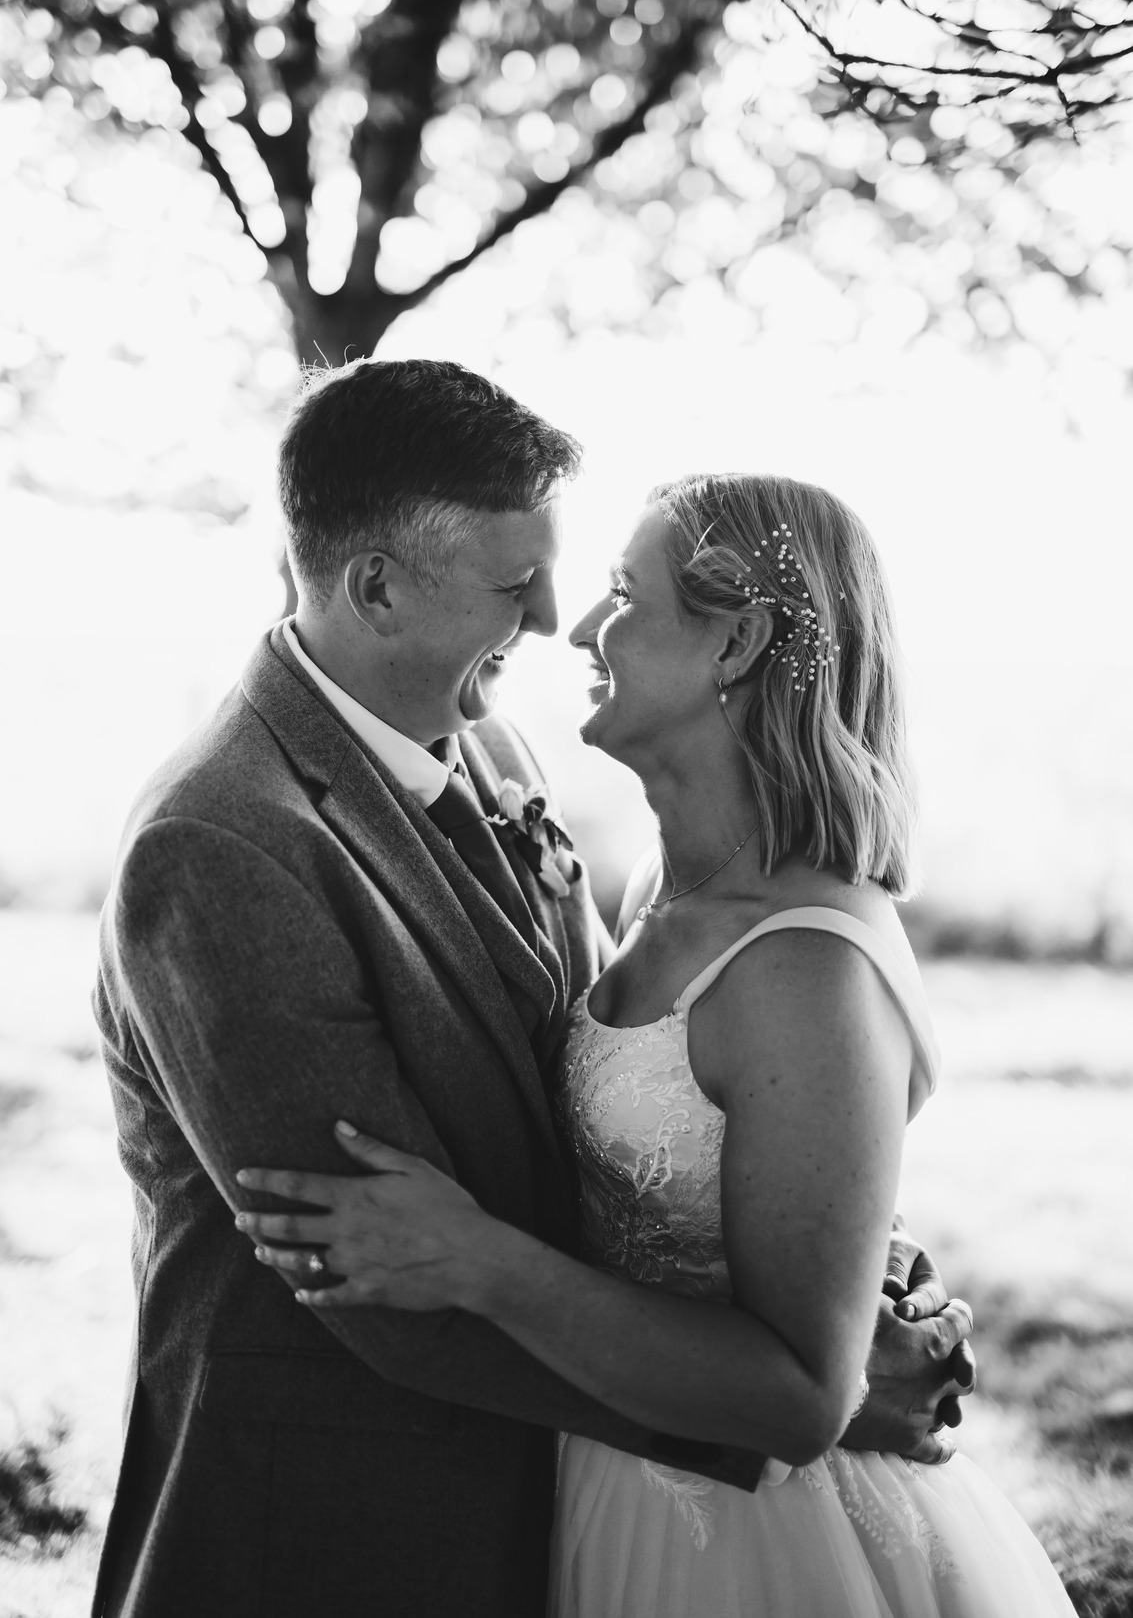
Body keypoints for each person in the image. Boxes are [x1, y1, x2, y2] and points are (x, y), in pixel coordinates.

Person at [94, 360, 969, 1618]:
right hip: (333, 1521)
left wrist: (826, 1275)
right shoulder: (223, 845)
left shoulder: (486, 740)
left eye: (582, 579)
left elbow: (625, 1109)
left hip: (567, 1502)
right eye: (518, 585)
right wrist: (784, 1410)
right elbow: (377, 1278)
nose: (557, 620)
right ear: (377, 586)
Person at [236, 470, 1076, 1617]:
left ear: (733, 642)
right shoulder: (657, 884)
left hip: (755, 1541)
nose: (575, 625)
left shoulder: (801, 965)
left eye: (623, 595)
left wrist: (481, 1258)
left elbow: (795, 1394)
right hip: (608, 1482)